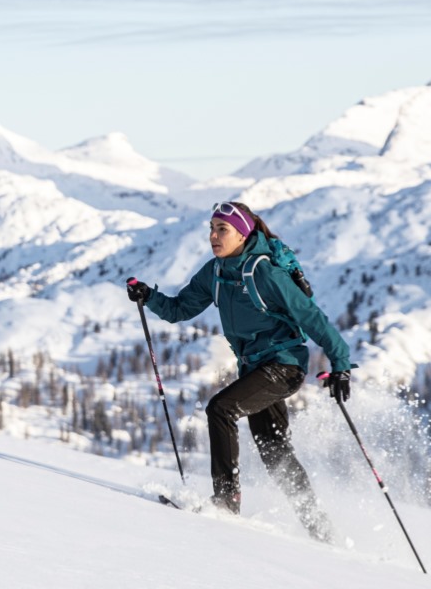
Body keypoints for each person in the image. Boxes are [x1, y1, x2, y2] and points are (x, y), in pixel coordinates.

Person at [126, 201, 352, 542]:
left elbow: (311, 316)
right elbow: (178, 309)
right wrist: (149, 296)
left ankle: (225, 501)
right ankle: (319, 528)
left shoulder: (264, 272)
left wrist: (341, 365)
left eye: (222, 230)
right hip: (254, 367)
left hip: (284, 364)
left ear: (243, 233)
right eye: (212, 229)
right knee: (273, 448)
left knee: (221, 408)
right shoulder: (215, 272)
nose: (213, 236)